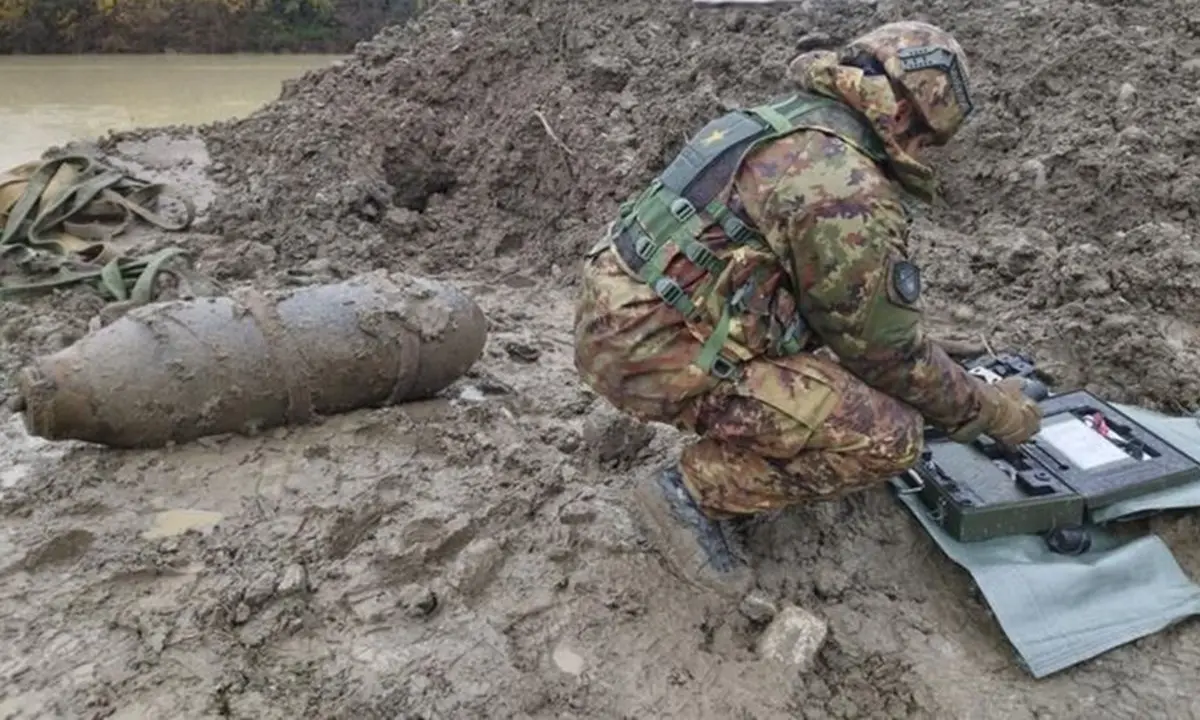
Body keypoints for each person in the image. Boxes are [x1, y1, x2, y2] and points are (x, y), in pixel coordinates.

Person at [572, 21, 1043, 598]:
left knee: (852, 381)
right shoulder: (842, 181)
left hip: (619, 315)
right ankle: (687, 492)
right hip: (650, 351)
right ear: (901, 119)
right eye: (926, 142)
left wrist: (927, 346)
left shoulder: (778, 121)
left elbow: (790, 283)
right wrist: (993, 412)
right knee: (889, 437)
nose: (922, 156)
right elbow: (887, 358)